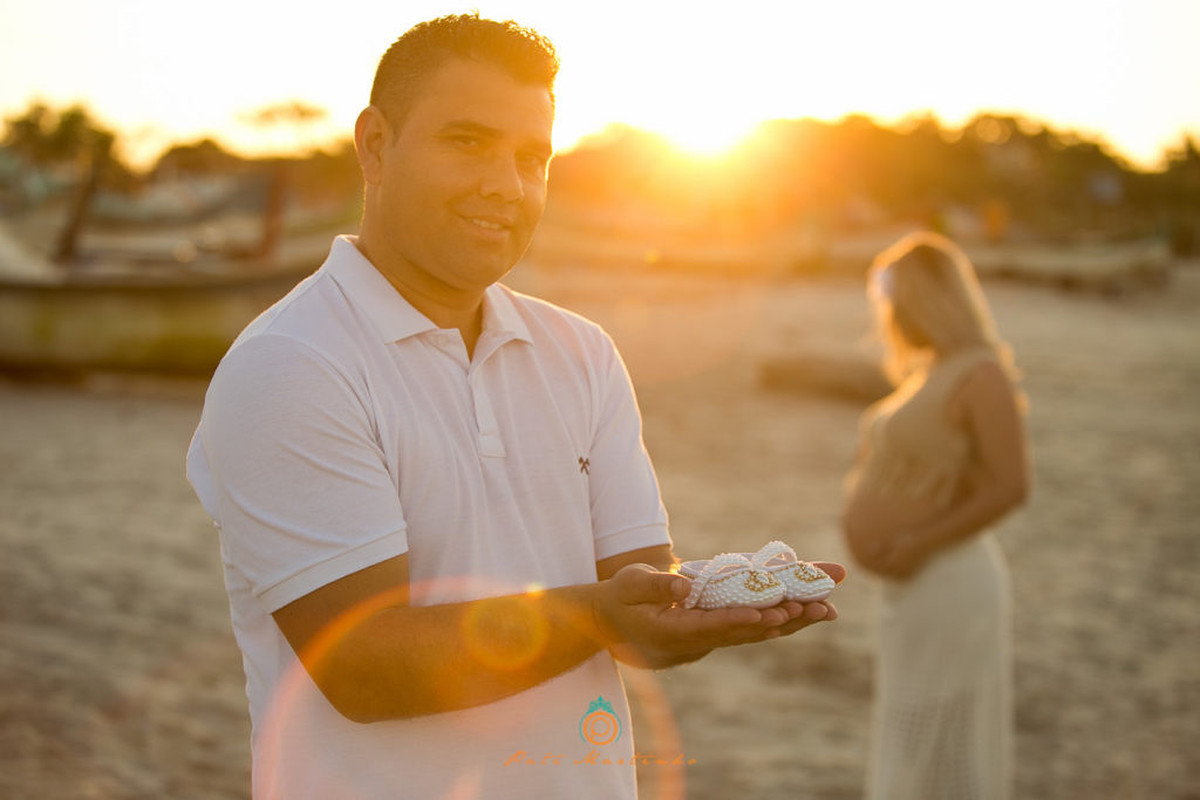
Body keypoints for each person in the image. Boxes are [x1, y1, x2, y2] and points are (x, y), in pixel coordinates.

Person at [187, 13, 844, 800]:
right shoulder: (292, 364)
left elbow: (635, 598)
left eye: (532, 157)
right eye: (468, 141)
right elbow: (362, 667)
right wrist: (600, 616)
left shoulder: (582, 353)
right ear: (375, 145)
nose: (507, 184)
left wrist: (705, 603)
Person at [841, 231, 1030, 800]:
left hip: (950, 578)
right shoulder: (930, 372)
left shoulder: (980, 373)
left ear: (924, 300)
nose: (890, 318)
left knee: (943, 731)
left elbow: (1011, 486)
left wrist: (918, 541)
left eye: (893, 303)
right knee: (912, 725)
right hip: (912, 587)